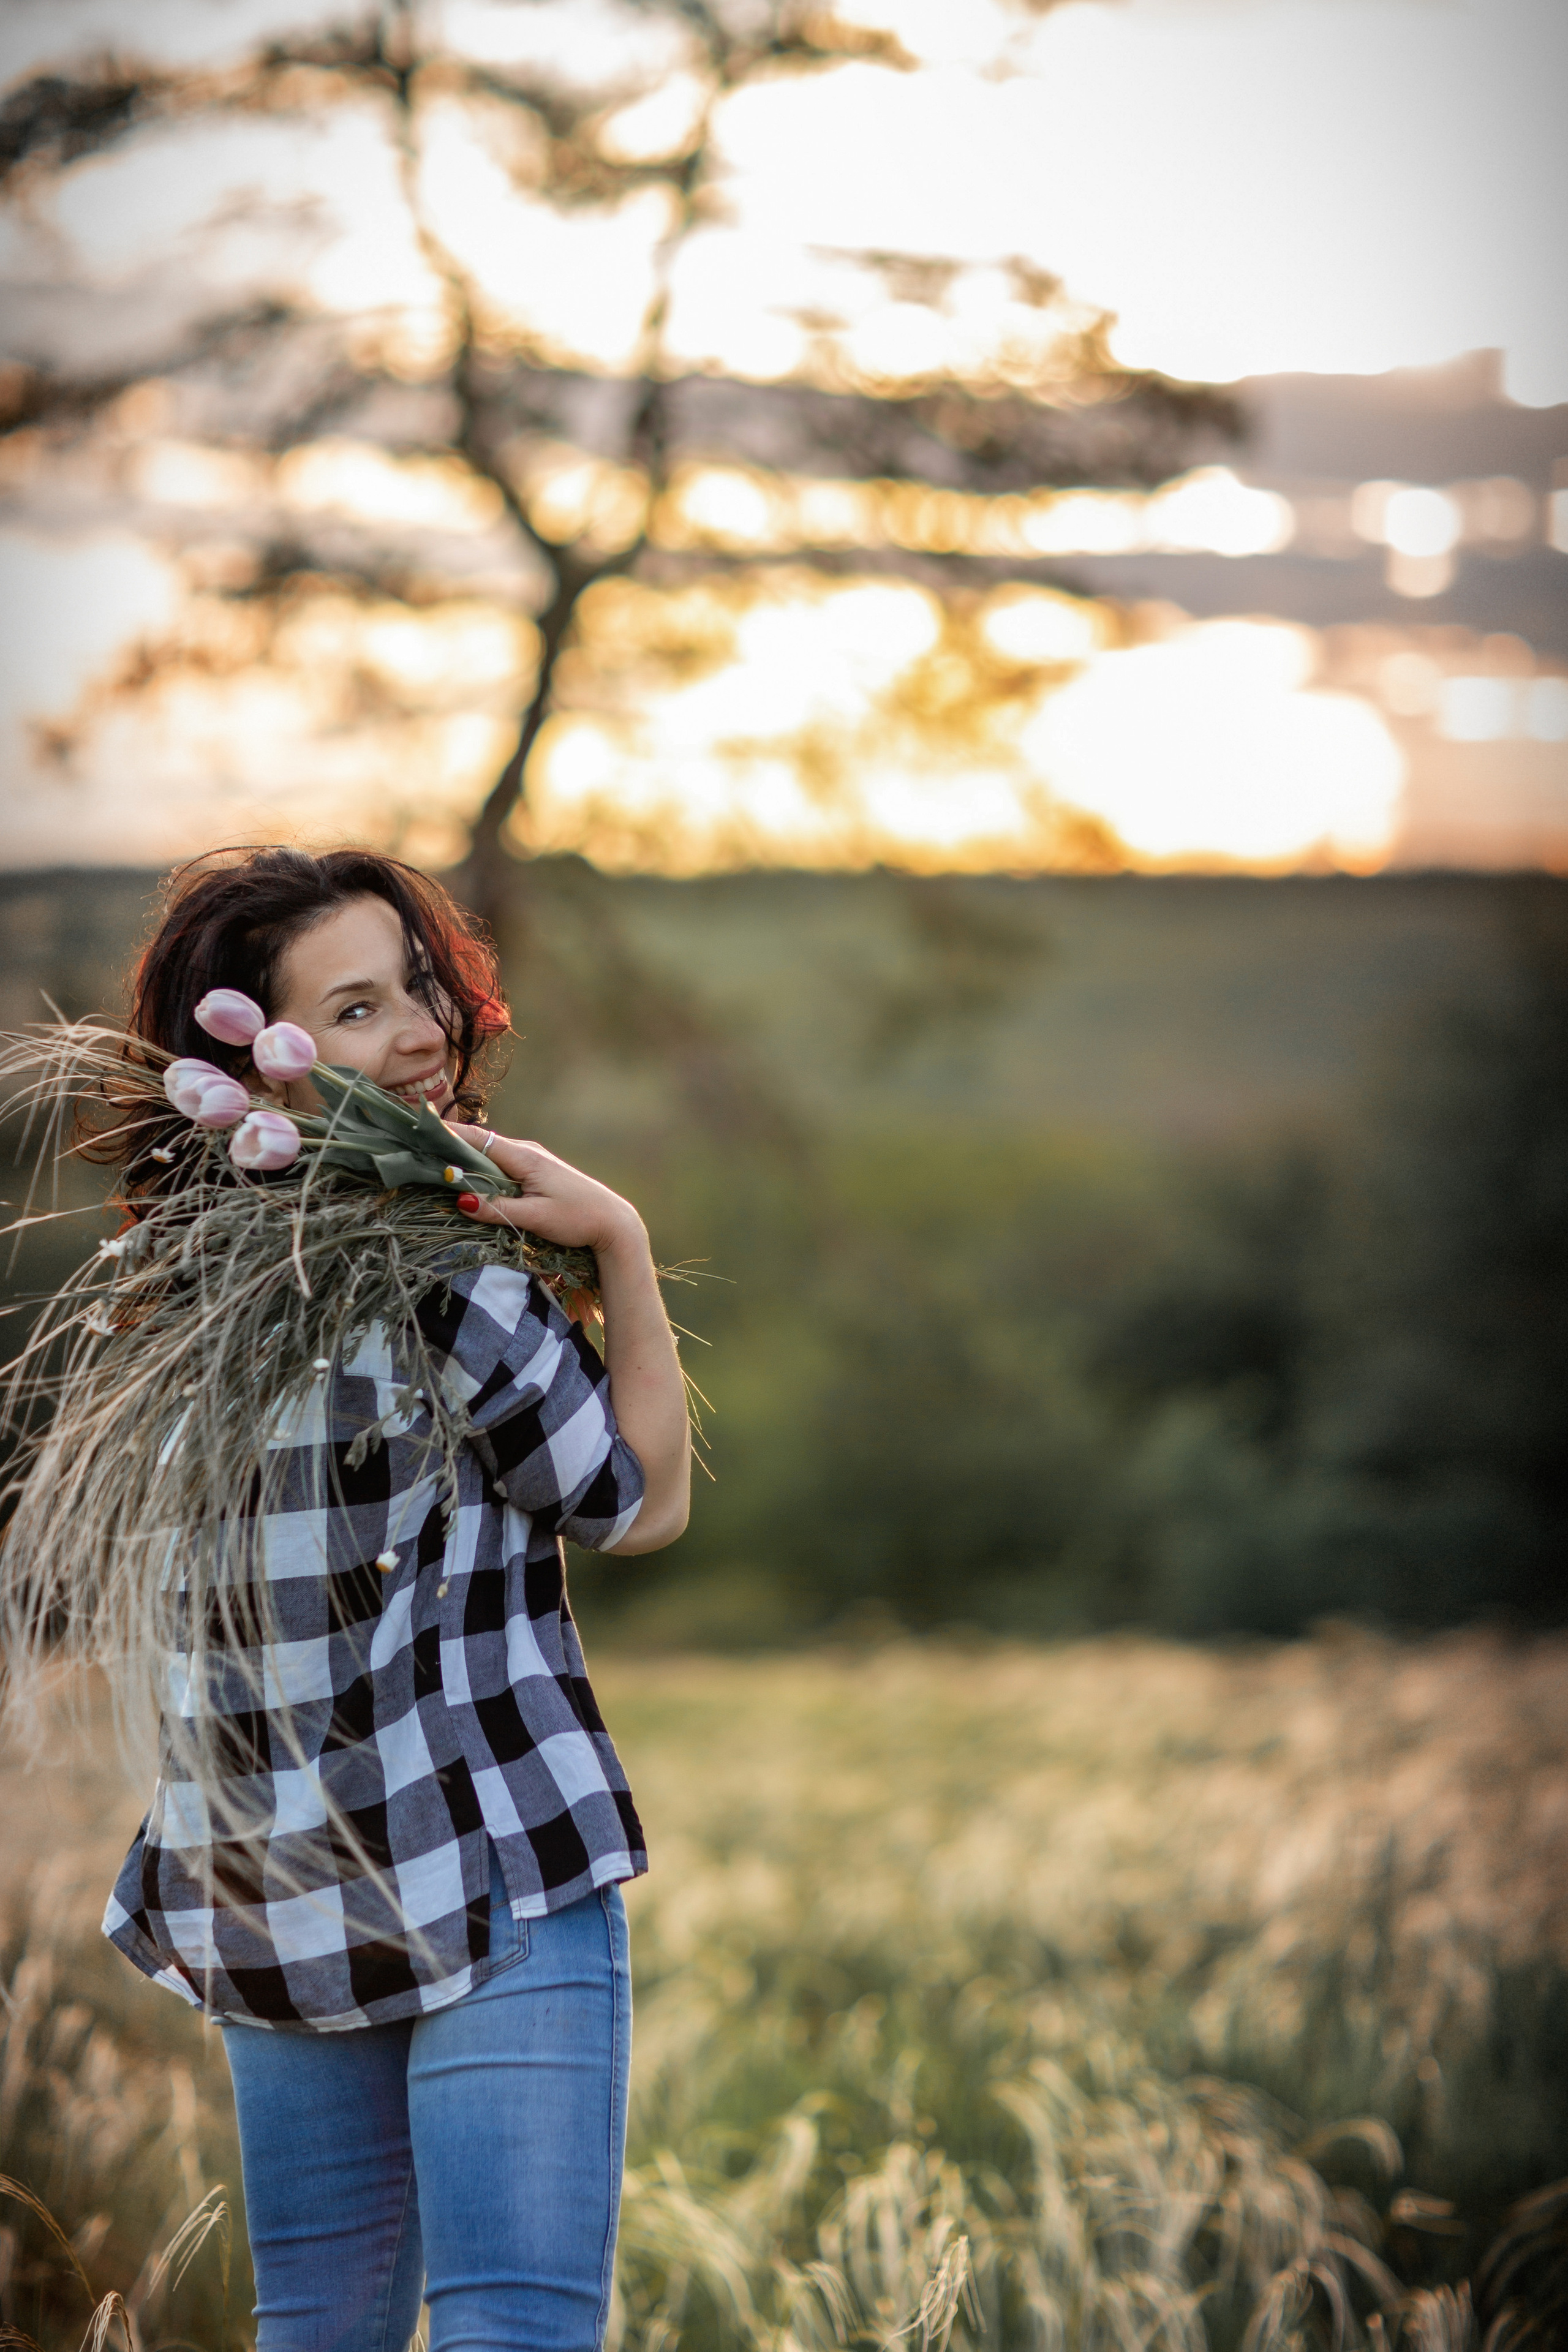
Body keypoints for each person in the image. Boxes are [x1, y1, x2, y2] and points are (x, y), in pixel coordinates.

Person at [92, 846, 691, 2352]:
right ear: (262, 1070)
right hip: (488, 1860)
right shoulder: (453, 1283)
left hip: (263, 1887)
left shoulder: (164, 1316)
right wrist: (616, 1241)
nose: (421, 1032)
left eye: (419, 984)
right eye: (354, 1012)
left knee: (318, 2335)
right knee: (511, 2330)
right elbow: (641, 1505)